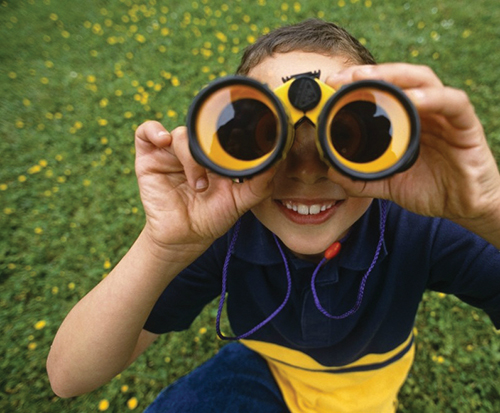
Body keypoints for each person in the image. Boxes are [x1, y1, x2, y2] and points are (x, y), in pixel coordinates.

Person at [46, 19, 500, 413]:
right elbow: (69, 376)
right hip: (264, 369)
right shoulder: (224, 236)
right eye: (265, 136)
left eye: (344, 135)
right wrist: (163, 246)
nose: (307, 172)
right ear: (227, 147)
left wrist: (487, 209)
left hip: (366, 391)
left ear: (386, 146)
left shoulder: (414, 229)